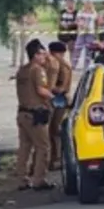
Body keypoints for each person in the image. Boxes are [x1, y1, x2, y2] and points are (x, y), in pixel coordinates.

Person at [15, 40, 55, 191]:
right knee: (43, 147)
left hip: (22, 113)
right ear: (35, 55)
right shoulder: (37, 70)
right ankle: (39, 179)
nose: (44, 56)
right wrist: (53, 98)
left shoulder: (22, 70)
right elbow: (41, 90)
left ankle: (21, 179)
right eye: (42, 53)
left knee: (24, 147)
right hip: (35, 114)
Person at [46, 42, 72, 170]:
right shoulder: (60, 64)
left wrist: (52, 89)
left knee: (54, 130)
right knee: (52, 130)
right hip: (58, 99)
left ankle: (57, 158)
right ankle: (55, 158)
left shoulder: (62, 66)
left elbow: (63, 87)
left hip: (59, 100)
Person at [73, 0, 98, 70]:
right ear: (84, 5)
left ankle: (86, 67)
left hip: (90, 33)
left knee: (89, 50)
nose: (88, 5)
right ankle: (74, 65)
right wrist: (81, 26)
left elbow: (96, 23)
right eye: (86, 4)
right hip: (81, 32)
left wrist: (95, 34)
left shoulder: (94, 13)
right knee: (77, 48)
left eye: (89, 4)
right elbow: (76, 21)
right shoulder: (80, 12)